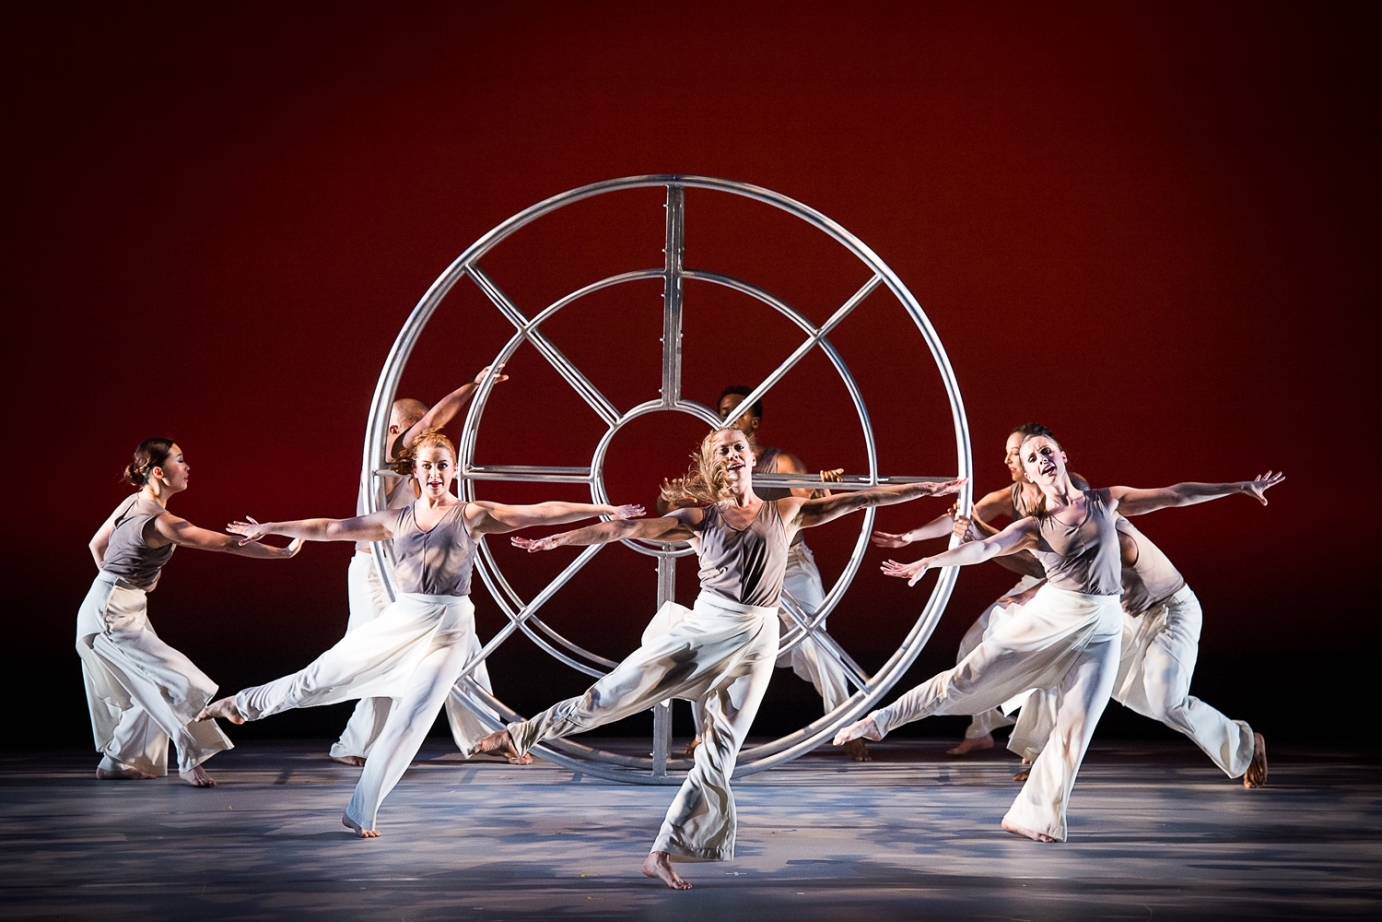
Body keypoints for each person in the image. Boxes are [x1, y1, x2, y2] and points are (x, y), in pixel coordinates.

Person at [475, 427, 962, 888]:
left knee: (721, 751)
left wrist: (922, 488)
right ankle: (517, 735)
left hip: (758, 636)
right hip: (708, 627)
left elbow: (863, 499)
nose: (731, 456)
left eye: (737, 449)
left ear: (752, 459)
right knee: (611, 695)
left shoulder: (787, 510)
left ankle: (662, 852)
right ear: (713, 466)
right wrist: (561, 539)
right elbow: (625, 529)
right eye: (721, 451)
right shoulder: (698, 518)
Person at [834, 429, 1281, 843]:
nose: (1040, 460)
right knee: (976, 675)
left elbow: (1174, 495)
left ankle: (1041, 814)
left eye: (1047, 451)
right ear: (1025, 474)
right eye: (1030, 458)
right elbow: (986, 543)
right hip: (1097, 617)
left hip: (1161, 613)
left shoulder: (1106, 506)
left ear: (1064, 458)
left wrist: (1239, 487)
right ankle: (883, 720)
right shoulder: (1034, 526)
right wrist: (928, 559)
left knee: (1124, 712)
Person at [197, 431, 642, 837]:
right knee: (322, 674)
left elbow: (540, 512)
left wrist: (604, 509)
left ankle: (362, 809)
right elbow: (331, 528)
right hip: (403, 619)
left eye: (443, 465)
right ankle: (243, 705)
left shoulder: (471, 515)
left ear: (453, 470)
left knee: (412, 718)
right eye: (427, 465)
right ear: (415, 471)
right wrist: (271, 528)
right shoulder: (395, 519)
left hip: (449, 628)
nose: (434, 473)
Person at [80, 438, 301, 787]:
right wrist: (283, 553)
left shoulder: (130, 503)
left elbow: (96, 545)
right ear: (158, 471)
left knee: (152, 686)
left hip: (112, 605)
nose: (187, 467)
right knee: (178, 680)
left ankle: (119, 762)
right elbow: (227, 544)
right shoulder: (161, 522)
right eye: (180, 460)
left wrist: (120, 581)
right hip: (111, 614)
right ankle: (188, 755)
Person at [989, 512, 1268, 788]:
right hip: (1127, 620)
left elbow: (1087, 568)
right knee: (1065, 664)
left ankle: (1245, 743)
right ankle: (1043, 757)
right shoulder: (1071, 533)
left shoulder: (1113, 533)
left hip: (1169, 615)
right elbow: (1042, 565)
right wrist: (979, 534)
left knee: (1165, 703)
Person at [871, 423, 1089, 755]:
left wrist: (1029, 590)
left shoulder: (1066, 493)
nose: (1007, 461)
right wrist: (911, 537)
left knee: (1032, 658)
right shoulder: (1010, 495)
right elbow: (963, 518)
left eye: (1014, 454)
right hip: (1034, 580)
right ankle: (981, 729)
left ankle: (1039, 748)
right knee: (973, 643)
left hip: (1069, 586)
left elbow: (1077, 560)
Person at [332, 365, 508, 767]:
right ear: (397, 432)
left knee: (462, 646)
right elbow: (432, 419)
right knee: (375, 655)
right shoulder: (386, 460)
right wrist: (473, 386)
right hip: (375, 574)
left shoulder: (423, 474)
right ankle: (358, 744)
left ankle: (485, 737)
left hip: (413, 574)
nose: (425, 439)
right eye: (413, 431)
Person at [713, 387, 863, 759]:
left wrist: (821, 488)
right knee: (721, 648)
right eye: (723, 411)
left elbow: (808, 503)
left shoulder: (780, 463)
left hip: (790, 563)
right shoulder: (716, 465)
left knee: (816, 643)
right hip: (743, 572)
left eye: (737, 410)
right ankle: (711, 734)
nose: (729, 416)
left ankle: (848, 724)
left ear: (755, 421)